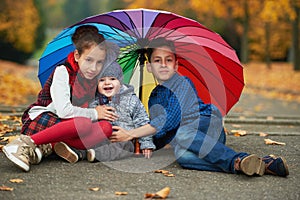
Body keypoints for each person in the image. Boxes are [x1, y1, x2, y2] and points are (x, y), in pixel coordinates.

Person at [110, 37, 289, 177]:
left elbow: (168, 121)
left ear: (176, 65)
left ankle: (237, 158)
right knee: (182, 156)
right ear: (149, 67)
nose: (163, 64)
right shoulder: (154, 97)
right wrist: (144, 143)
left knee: (183, 133)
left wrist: (133, 133)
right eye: (157, 60)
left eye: (168, 60)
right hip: (192, 142)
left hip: (207, 126)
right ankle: (255, 165)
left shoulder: (182, 83)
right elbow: (161, 133)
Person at [2, 25, 119, 172]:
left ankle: (50, 147)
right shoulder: (63, 71)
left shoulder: (96, 80)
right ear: (77, 56)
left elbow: (102, 113)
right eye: (89, 60)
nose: (93, 68)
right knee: (83, 124)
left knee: (106, 128)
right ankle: (26, 144)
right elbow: (64, 111)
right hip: (44, 120)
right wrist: (95, 113)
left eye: (99, 62)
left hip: (70, 126)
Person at [54, 61, 155, 162]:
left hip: (124, 139)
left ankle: (94, 154)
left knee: (125, 147)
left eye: (112, 79)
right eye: (101, 80)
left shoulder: (131, 100)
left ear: (120, 81)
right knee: (91, 140)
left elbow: (143, 122)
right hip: (102, 138)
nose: (107, 83)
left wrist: (146, 143)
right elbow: (90, 118)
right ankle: (78, 152)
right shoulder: (95, 101)